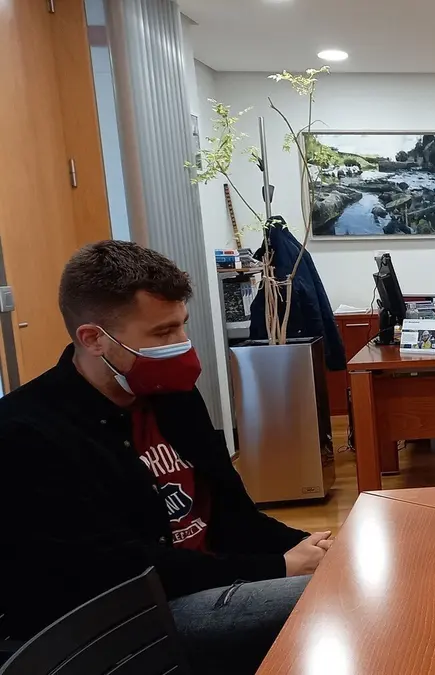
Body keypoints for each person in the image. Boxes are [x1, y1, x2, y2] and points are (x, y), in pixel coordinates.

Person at [0, 241, 329, 674]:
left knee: (343, 576)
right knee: (330, 601)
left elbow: (234, 516)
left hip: (213, 580)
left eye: (181, 326)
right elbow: (116, 568)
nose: (181, 345)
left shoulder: (173, 398)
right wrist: (280, 567)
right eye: (161, 333)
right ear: (94, 338)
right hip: (134, 615)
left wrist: (307, 548)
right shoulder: (27, 432)